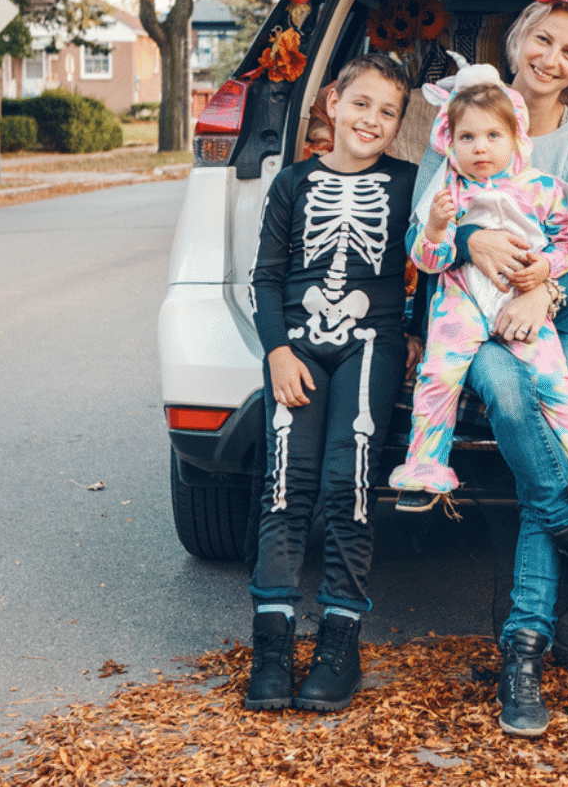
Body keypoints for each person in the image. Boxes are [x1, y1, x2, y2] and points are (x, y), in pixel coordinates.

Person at [407, 0, 568, 737]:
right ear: (520, 38)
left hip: (550, 315)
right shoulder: (464, 114)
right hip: (468, 312)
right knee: (504, 385)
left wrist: (548, 291)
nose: (552, 57)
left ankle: (522, 649)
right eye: (543, 40)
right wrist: (468, 234)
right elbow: (417, 228)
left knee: (518, 386)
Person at [245, 53, 422, 713]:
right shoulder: (292, 184)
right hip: (298, 344)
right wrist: (276, 353)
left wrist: (419, 331)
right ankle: (272, 643)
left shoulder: (409, 182)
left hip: (369, 343)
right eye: (362, 103)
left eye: (388, 111)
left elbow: (435, 259)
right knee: (286, 484)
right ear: (332, 104)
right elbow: (264, 277)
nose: (371, 118)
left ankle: (339, 639)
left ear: (400, 124)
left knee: (350, 483)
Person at [389, 63, 568, 509]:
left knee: (553, 381)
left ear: (517, 137)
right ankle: (424, 467)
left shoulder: (543, 189)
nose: (481, 148)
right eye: (467, 138)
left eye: (493, 136)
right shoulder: (446, 192)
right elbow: (426, 261)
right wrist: (439, 229)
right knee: (437, 379)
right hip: (461, 303)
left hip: (522, 301)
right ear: (449, 144)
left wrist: (545, 269)